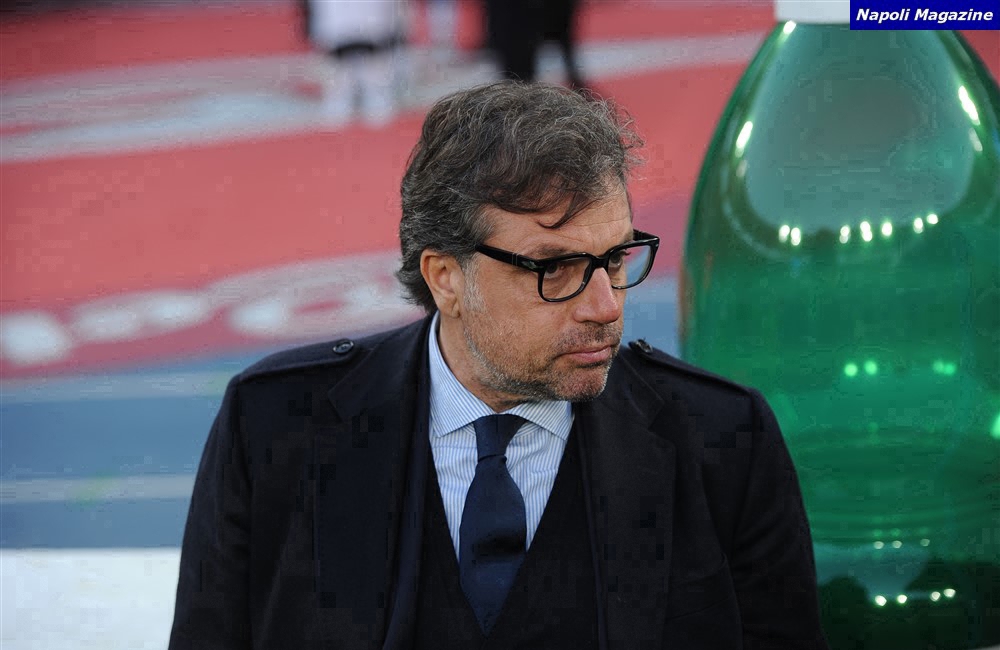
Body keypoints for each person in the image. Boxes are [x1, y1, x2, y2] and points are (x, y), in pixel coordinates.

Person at [168, 81, 828, 648]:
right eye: (555, 268)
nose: (605, 306)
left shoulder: (723, 442)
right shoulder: (274, 427)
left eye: (615, 259)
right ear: (445, 277)